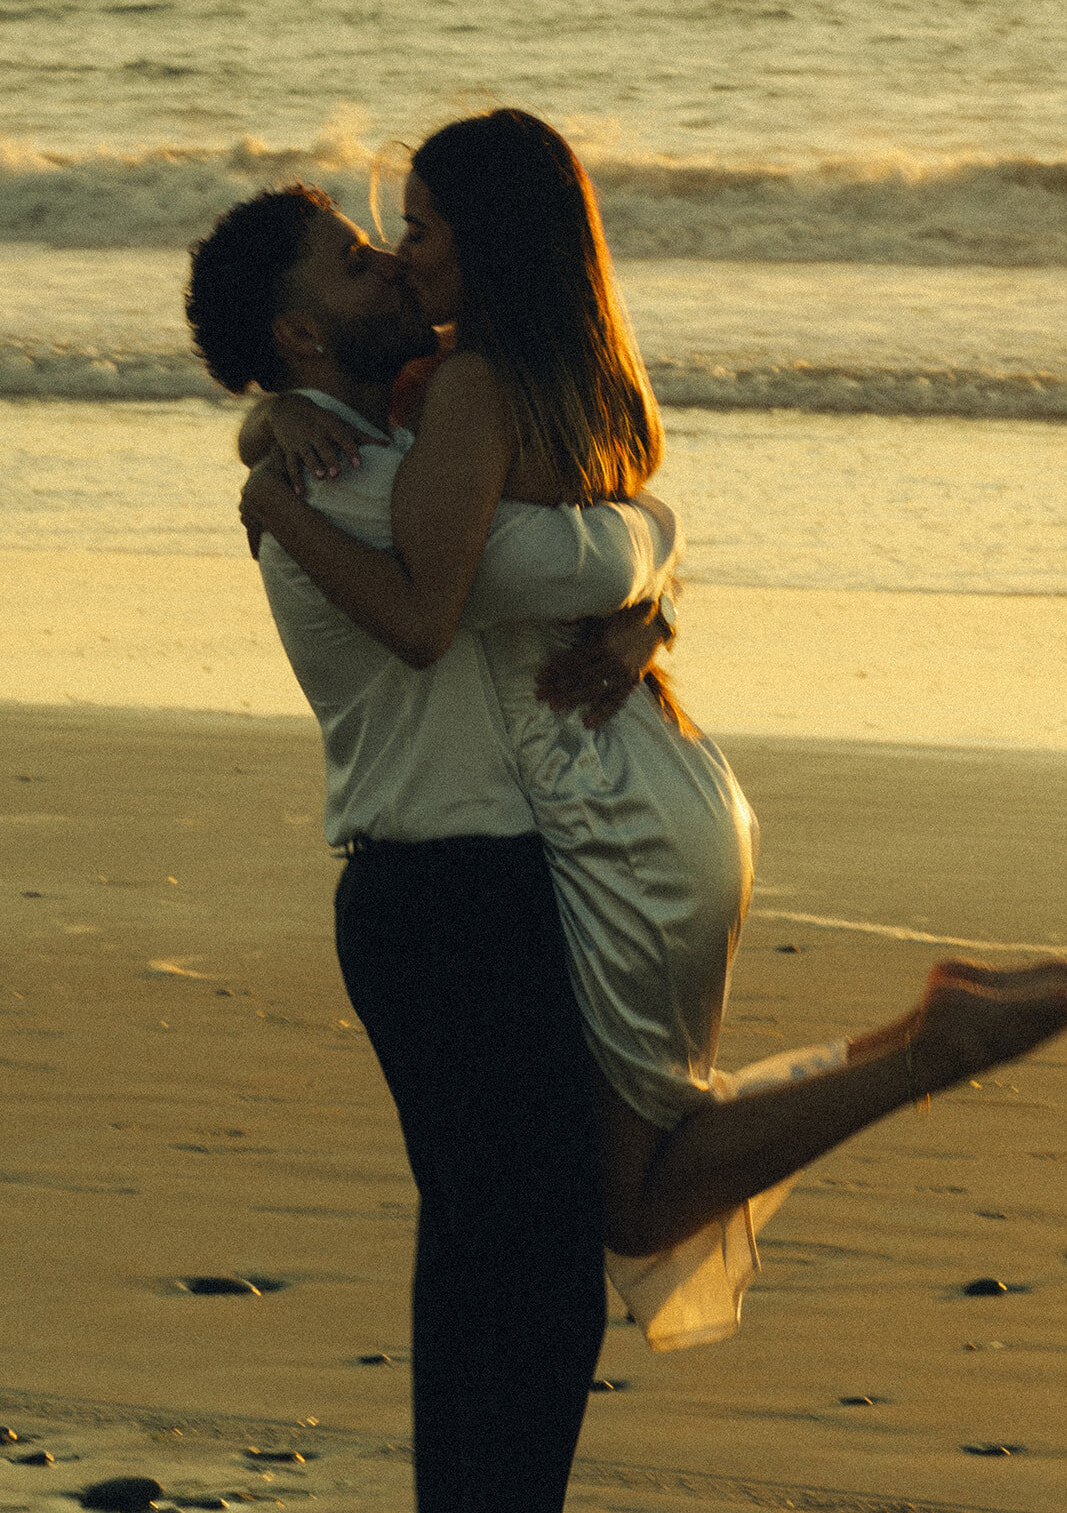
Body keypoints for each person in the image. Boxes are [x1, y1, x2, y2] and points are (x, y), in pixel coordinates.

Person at [237, 110, 1067, 1354]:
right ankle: (930, 1037)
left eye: (413, 231)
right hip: (665, 785)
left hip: (607, 816)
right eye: (383, 240)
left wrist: (260, 485)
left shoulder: (462, 396)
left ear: (486, 242)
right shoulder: (569, 382)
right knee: (629, 1183)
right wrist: (648, 602)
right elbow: (604, 538)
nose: (400, 258)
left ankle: (932, 1046)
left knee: (631, 1201)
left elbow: (434, 595)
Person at [185, 182, 685, 1513]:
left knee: (482, 1269)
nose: (390, 267)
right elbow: (595, 546)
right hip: (451, 900)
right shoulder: (354, 487)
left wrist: (650, 615)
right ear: (299, 339)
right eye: (353, 262)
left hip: (449, 895)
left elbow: (571, 552)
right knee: (529, 1284)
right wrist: (655, 564)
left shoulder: (368, 445)